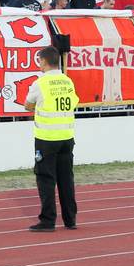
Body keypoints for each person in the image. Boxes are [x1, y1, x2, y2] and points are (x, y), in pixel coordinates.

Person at [25, 46, 79, 232]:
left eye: (39, 60)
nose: (39, 63)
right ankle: (70, 219)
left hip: (46, 137)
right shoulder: (67, 81)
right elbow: (74, 102)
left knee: (46, 179)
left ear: (44, 61)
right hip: (66, 136)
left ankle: (48, 220)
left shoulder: (40, 82)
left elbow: (27, 105)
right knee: (66, 178)